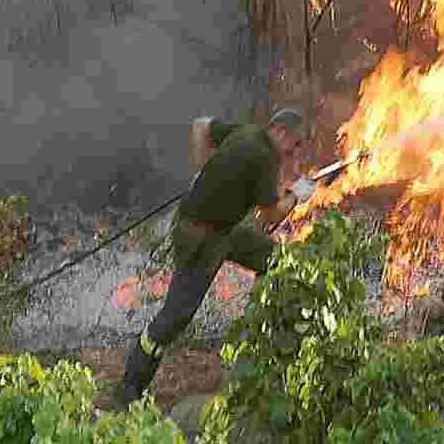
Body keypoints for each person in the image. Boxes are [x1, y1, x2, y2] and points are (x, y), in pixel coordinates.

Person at [111, 107, 318, 409]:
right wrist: (297, 195)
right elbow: (270, 214)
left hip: (224, 231)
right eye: (295, 144)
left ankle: (259, 346)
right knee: (174, 318)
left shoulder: (245, 131)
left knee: (278, 261)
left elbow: (201, 125)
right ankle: (129, 388)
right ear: (279, 131)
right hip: (202, 240)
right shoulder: (264, 157)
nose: (294, 152)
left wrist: (200, 170)